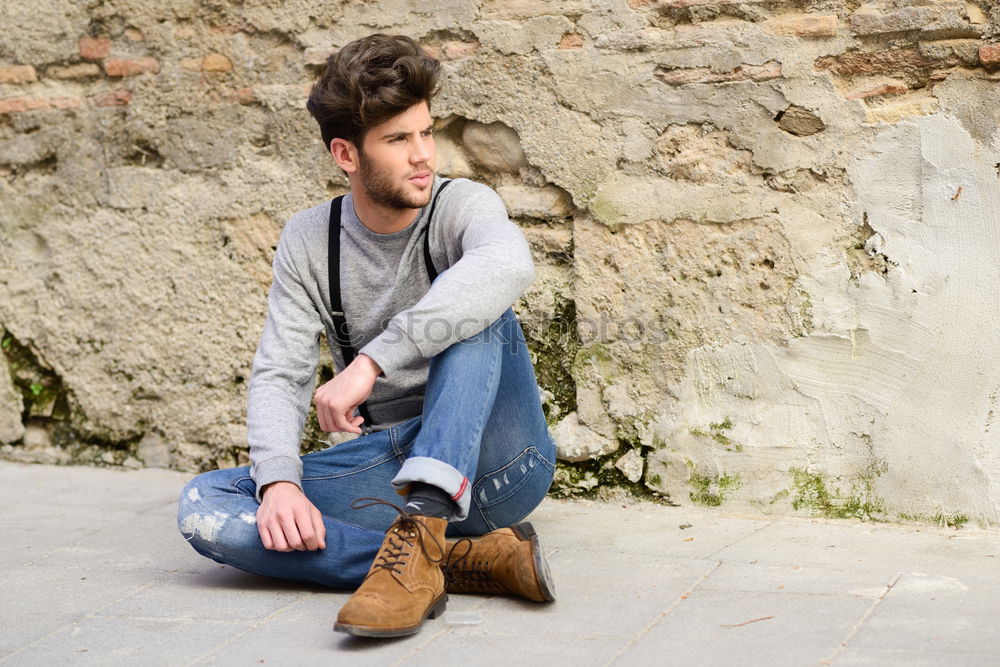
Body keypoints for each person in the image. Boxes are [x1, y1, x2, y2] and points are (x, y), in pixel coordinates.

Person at [177, 33, 557, 639]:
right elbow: (282, 371)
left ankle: (423, 532)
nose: (424, 156)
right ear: (347, 155)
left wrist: (371, 363)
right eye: (399, 140)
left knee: (478, 303)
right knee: (207, 506)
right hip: (394, 465)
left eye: (426, 132)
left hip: (502, 460)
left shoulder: (461, 206)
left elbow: (507, 266)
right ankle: (450, 561)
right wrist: (278, 483)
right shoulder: (308, 240)